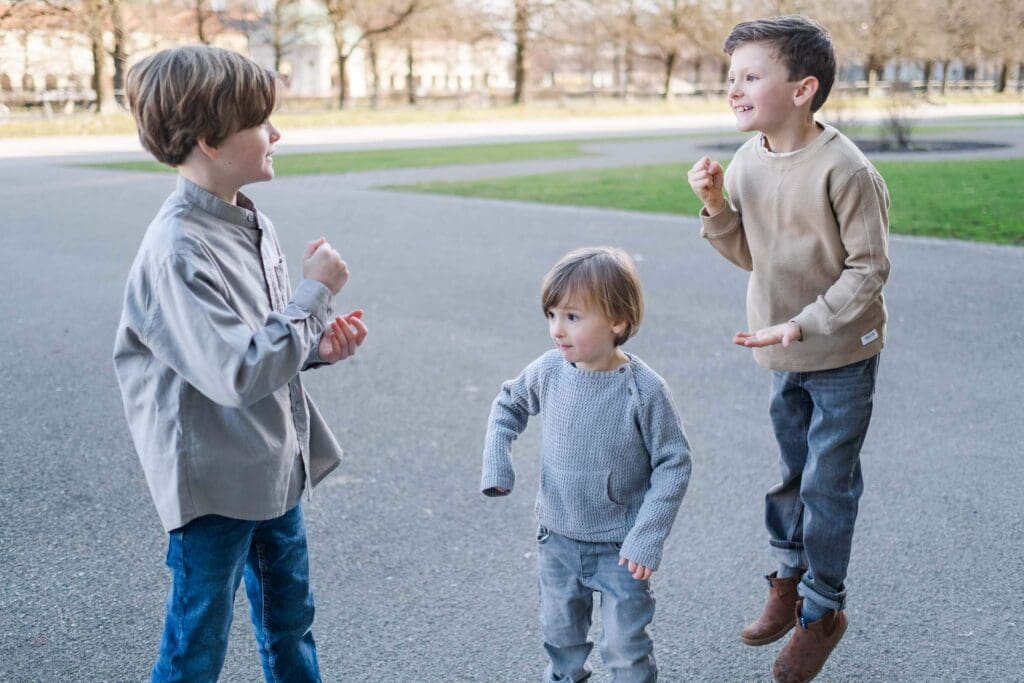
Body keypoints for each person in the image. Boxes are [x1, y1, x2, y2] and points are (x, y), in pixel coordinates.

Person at [112, 45, 368, 682]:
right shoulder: (177, 249)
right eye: (260, 122)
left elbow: (262, 344)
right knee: (196, 642)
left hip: (271, 465)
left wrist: (314, 347)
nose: (276, 132)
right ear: (210, 140)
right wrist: (315, 294)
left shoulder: (250, 222)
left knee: (290, 620)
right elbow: (237, 372)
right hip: (216, 483)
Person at [686, 15, 890, 683]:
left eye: (749, 76)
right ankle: (789, 576)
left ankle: (823, 610)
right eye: (730, 77)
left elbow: (868, 269)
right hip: (783, 353)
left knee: (828, 485)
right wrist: (716, 205)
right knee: (791, 475)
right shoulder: (747, 162)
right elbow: (751, 252)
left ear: (802, 89)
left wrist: (803, 323)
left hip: (840, 353)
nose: (732, 88)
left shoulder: (846, 169)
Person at [481, 247, 692, 682]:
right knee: (561, 642)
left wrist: (647, 537)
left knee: (626, 652)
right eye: (552, 315)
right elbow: (508, 403)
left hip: (622, 550)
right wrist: (497, 462)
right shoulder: (549, 371)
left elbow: (674, 462)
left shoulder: (644, 391)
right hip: (557, 539)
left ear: (617, 320)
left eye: (573, 317)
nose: (557, 330)